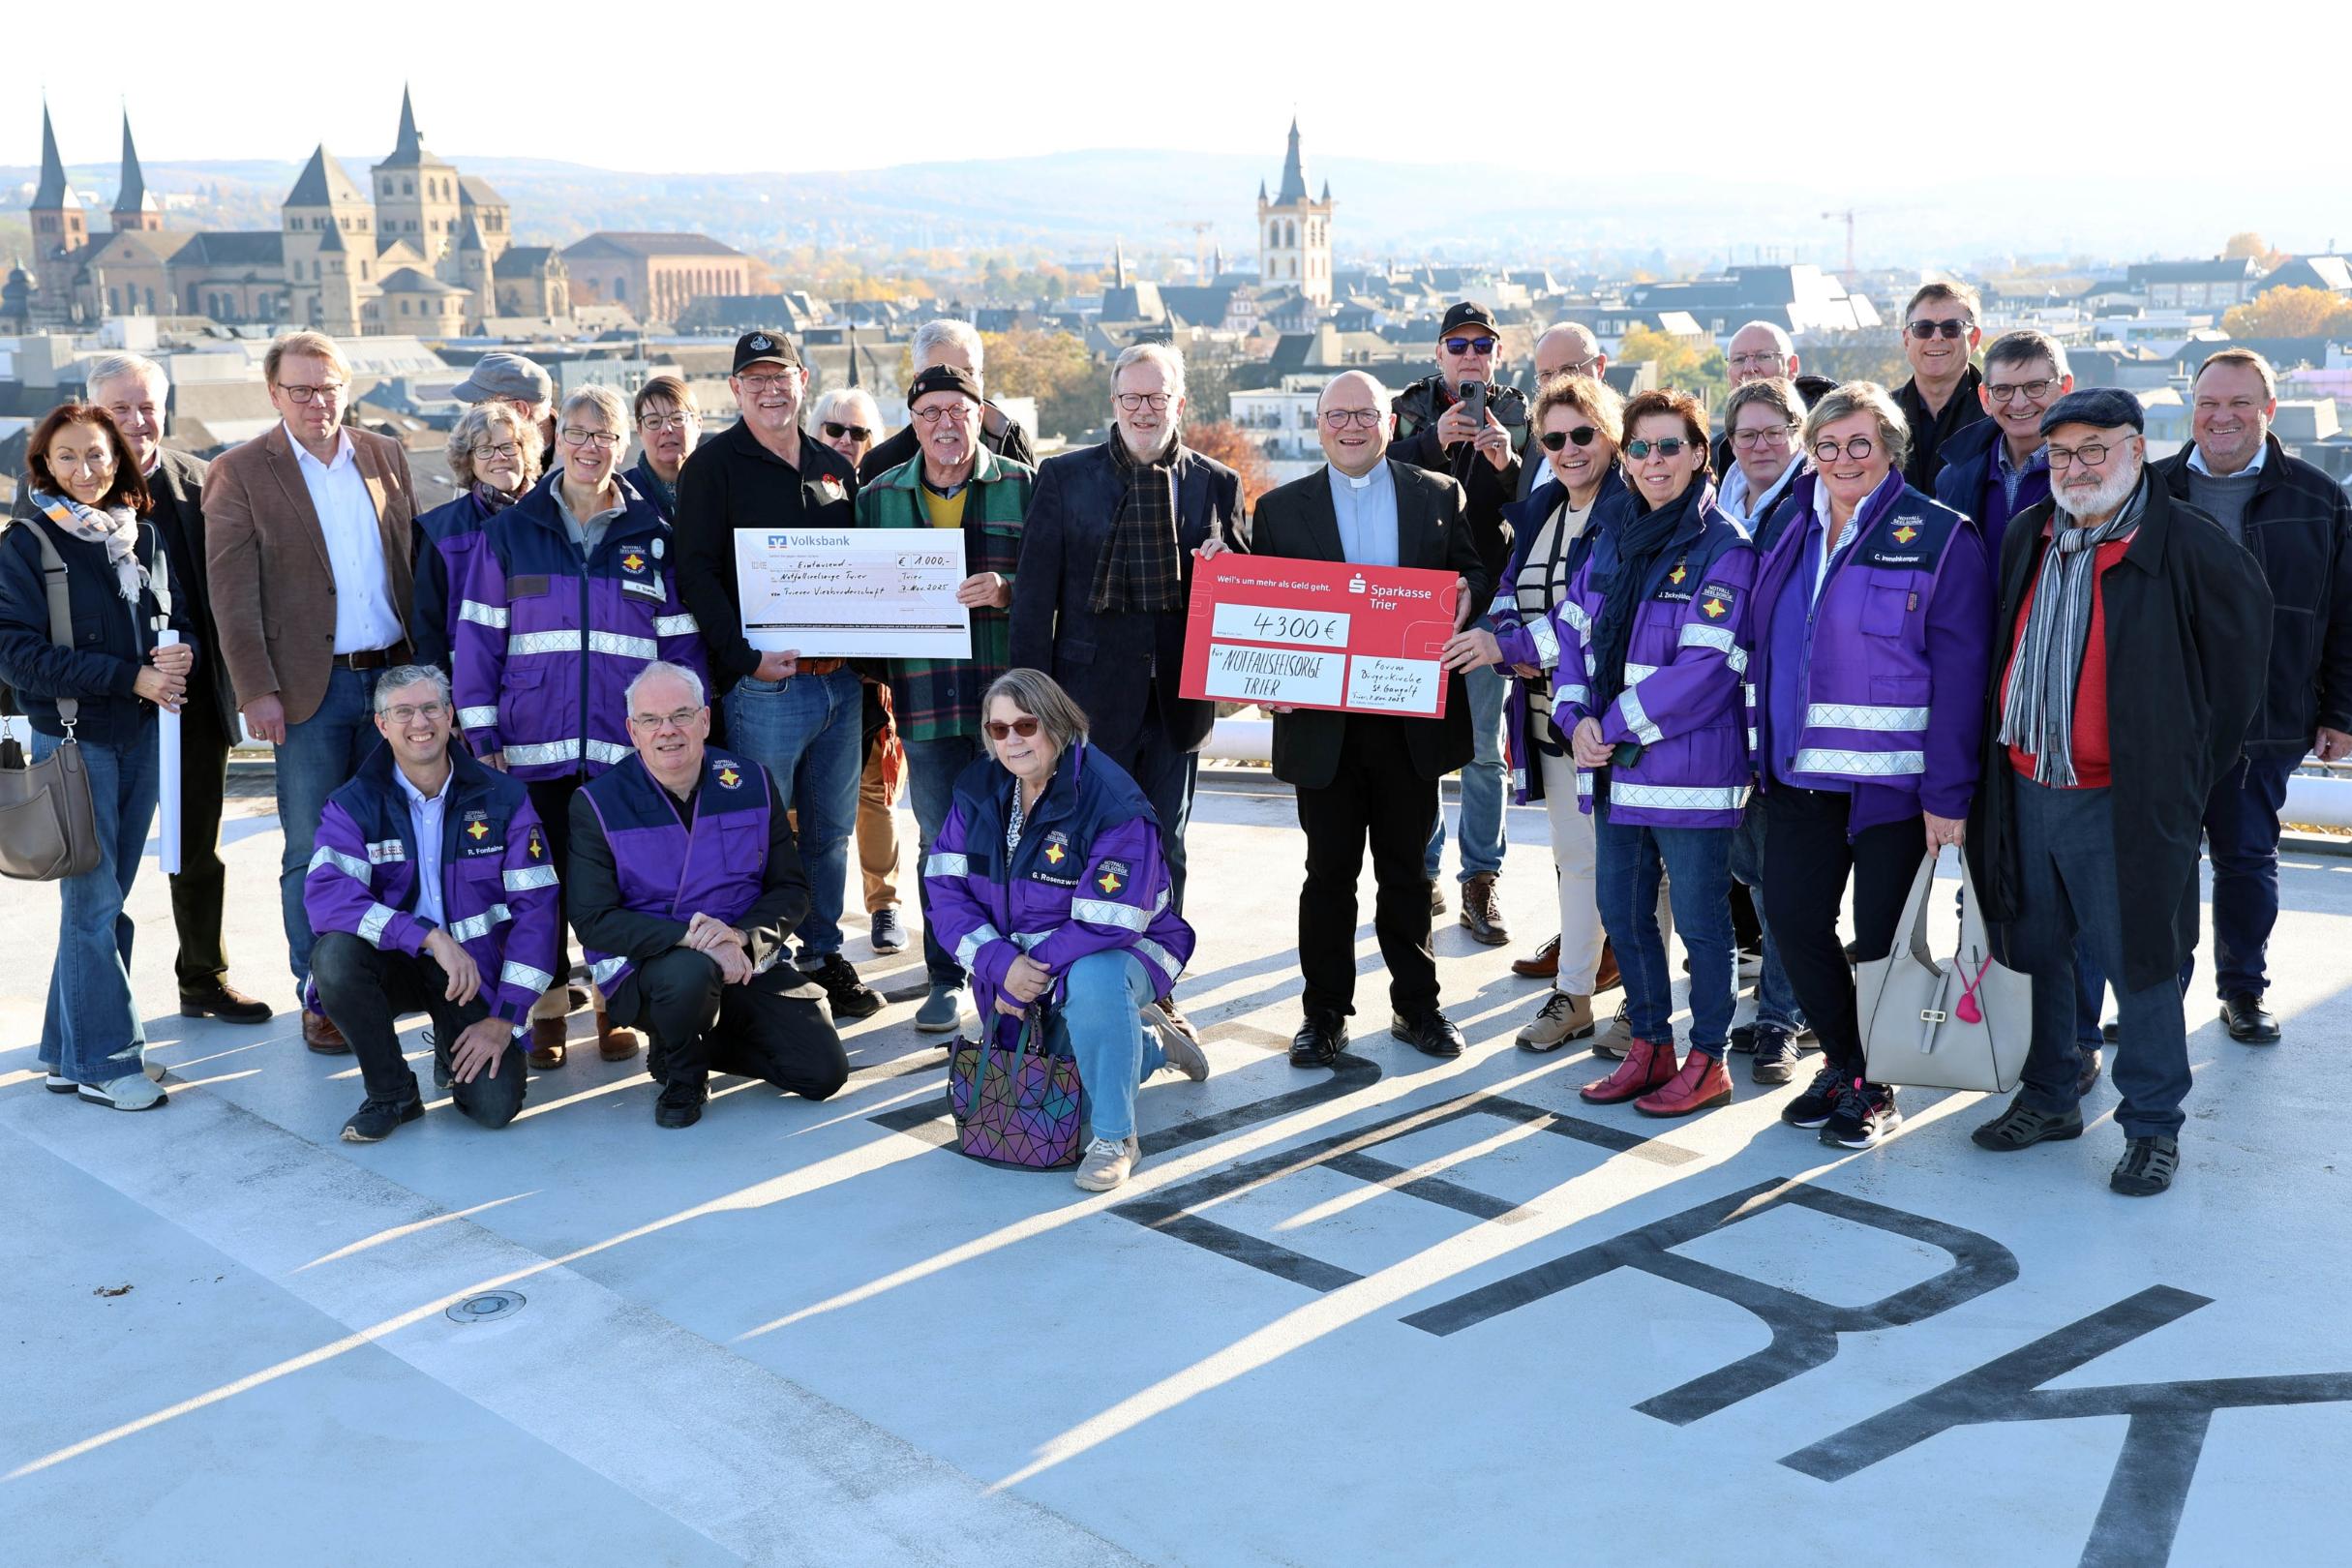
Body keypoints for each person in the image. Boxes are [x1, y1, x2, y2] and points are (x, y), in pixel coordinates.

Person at [1969, 389, 2271, 1197]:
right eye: (2061, 454)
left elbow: (2238, 683)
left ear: (2136, 451)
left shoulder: (2192, 549)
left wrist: (2176, 780)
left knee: (2141, 963)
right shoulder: (2028, 535)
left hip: (2124, 803)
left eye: (2094, 450)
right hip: (2028, 786)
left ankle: (2151, 1128)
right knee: (2034, 956)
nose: (2076, 468)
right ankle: (2049, 1097)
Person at [1748, 381, 1991, 1150]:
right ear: (1810, 452)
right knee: (1790, 921)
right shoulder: (1790, 525)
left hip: (1893, 787)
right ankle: (1849, 1063)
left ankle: (1874, 1086)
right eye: (1828, 444)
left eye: (1860, 443)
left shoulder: (1941, 536)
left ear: (1890, 450)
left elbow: (1963, 680)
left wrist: (1947, 795)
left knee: (1881, 944)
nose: (1844, 458)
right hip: (1797, 778)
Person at [10, 354, 270, 1026]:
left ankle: (202, 977)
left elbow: (223, 591)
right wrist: (130, 676)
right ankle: (101, 1023)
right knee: (100, 883)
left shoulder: (201, 479)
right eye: (119, 409)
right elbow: (28, 628)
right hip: (94, 716)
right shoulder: (44, 503)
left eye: (147, 406)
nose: (136, 421)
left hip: (188, 698)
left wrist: (199, 659)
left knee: (194, 846)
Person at [454, 384, 704, 1067]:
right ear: (557, 440)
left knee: (621, 884)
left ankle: (612, 1006)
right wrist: (483, 740)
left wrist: (679, 724)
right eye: (580, 434)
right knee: (540, 888)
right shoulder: (509, 534)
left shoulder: (652, 537)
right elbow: (477, 642)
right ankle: (547, 1011)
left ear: (624, 447)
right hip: (530, 754)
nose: (592, 448)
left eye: (607, 436)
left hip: (628, 754)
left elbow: (679, 642)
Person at [1254, 371, 1492, 1068]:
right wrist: (1263, 678)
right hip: (1323, 726)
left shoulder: (1440, 495)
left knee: (1407, 875)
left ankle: (1418, 1006)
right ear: (1318, 424)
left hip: (1406, 722)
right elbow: (1257, 613)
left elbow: (1473, 573)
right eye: (1336, 415)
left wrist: (1465, 595)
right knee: (1327, 875)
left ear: (1389, 421)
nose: (1350, 427)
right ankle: (1323, 1014)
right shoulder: (1277, 509)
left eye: (1363, 414)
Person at [1538, 390, 1754, 1117]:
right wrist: (1574, 717)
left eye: (1670, 447)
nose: (1654, 460)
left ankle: (1709, 1061)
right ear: (1625, 458)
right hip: (1613, 775)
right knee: (1623, 916)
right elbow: (1571, 636)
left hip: (1691, 778)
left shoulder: (1725, 547)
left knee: (1700, 926)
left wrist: (1613, 721)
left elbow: (1705, 667)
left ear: (1700, 455)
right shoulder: (1610, 540)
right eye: (1641, 447)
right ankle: (1651, 1046)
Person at [206, 331, 419, 1050]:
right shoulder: (238, 473)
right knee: (310, 848)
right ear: (274, 394)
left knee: (392, 839)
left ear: (346, 387)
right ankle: (320, 992)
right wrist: (256, 691)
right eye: (300, 389)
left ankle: (383, 977)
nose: (316, 402)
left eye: (328, 387)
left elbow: (408, 566)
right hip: (307, 695)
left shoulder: (383, 455)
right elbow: (232, 600)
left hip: (392, 682)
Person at [2133, 348, 2352, 1046]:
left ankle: (2243, 992)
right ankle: (2156, 994)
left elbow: (2345, 614)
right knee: (2160, 865)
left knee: (2247, 860)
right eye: (2208, 403)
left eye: (2238, 403)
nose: (2221, 417)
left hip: (2266, 718)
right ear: (2190, 410)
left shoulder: (2318, 499)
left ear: (2269, 411)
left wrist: (2341, 714)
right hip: (2163, 719)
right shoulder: (2149, 490)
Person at [922, 669, 1207, 1191]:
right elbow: (944, 889)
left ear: (1055, 723)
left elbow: (1109, 921)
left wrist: (1029, 973)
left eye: (1025, 725)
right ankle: (1152, 1046)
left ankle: (1117, 1139)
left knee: (1096, 989)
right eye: (998, 729)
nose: (1012, 740)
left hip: (1124, 949)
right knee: (1047, 1093)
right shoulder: (977, 788)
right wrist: (999, 966)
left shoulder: (1112, 802)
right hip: (1022, 967)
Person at [671, 329, 883, 1020]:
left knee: (829, 831)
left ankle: (823, 950)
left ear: (802, 379)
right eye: (754, 378)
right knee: (763, 832)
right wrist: (743, 658)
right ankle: (768, 961)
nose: (769, 388)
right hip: (766, 687)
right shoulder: (712, 467)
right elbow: (694, 572)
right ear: (734, 389)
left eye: (781, 375)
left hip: (838, 683)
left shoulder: (832, 465)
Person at [0, 403, 195, 1110]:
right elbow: (17, 659)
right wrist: (129, 676)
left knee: (101, 902)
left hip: (140, 736)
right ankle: (110, 1062)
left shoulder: (140, 537)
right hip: (75, 744)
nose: (87, 470)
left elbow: (178, 622)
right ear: (44, 467)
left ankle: (66, 1051)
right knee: (93, 904)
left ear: (120, 458)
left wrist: (180, 654)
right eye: (69, 457)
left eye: (98, 454)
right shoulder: (24, 545)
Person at [1009, 342, 1243, 926]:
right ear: (1113, 401)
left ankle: (1157, 979)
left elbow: (1245, 595)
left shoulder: (1217, 483)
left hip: (1176, 703)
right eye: (1132, 397)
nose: (1144, 410)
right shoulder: (1063, 477)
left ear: (1179, 402)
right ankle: (1073, 975)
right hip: (1084, 702)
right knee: (1078, 846)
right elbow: (1034, 600)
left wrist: (1229, 562)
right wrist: (1028, 708)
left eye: (1156, 397)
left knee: (1166, 848)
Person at [569, 661, 850, 1130]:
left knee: (822, 1074)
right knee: (689, 973)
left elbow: (791, 888)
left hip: (743, 960)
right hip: (652, 970)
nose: (668, 732)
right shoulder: (599, 802)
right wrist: (696, 939)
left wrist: (740, 937)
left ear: (704, 720)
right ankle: (684, 1075)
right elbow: (593, 919)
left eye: (681, 715)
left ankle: (683, 1041)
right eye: (651, 720)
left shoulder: (751, 782)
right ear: (632, 732)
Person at [1443, 373, 1627, 1052]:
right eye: (1554, 438)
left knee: (1642, 872)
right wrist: (1494, 631)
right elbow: (1510, 593)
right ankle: (1575, 995)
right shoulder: (1543, 509)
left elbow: (1591, 616)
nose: (1569, 449)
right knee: (1575, 860)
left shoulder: (1629, 510)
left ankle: (1642, 1004)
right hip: (1552, 717)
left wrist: (1509, 644)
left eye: (1584, 434)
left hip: (1617, 725)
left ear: (1610, 435)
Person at [855, 362, 1034, 1035]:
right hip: (926, 703)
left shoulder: (1024, 487)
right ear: (913, 422)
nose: (944, 425)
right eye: (929, 413)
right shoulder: (878, 498)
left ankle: (1020, 967)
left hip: (1008, 706)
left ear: (980, 413)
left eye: (957, 410)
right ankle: (947, 975)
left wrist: (1008, 589)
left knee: (1021, 837)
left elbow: (1053, 581)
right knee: (940, 843)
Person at [304, 666, 556, 1141]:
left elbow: (537, 914)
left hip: (473, 976)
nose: (419, 723)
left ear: (450, 714)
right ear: (382, 724)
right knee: (334, 957)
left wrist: (505, 1018)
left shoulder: (505, 799)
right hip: (395, 962)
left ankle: (451, 1043)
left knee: (493, 1108)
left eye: (430, 708)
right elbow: (327, 901)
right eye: (403, 712)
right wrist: (426, 936)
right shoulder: (352, 804)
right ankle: (391, 1093)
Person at [1391, 302, 1523, 942]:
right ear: (1438, 353)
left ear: (1497, 355)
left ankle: (1482, 879)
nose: (1470, 354)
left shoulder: (1521, 413)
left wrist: (1509, 467)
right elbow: (1380, 481)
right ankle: (1423, 872)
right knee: (1420, 750)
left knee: (1481, 751)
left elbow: (1543, 504)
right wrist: (1430, 442)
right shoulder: (1410, 407)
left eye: (1482, 344)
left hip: (1489, 601)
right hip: (1417, 602)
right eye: (1458, 344)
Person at [1712, 377, 1814, 1082]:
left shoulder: (1816, 506)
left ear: (1799, 435)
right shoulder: (1720, 504)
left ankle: (1780, 1015)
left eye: (1774, 431)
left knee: (1783, 878)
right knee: (1748, 870)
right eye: (1746, 434)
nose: (1759, 445)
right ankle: (1788, 995)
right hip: (1725, 716)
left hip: (1786, 716)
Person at [810, 385, 906, 957]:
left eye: (859, 432)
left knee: (874, 794)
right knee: (807, 807)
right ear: (815, 431)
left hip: (870, 674)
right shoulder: (796, 492)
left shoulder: (885, 495)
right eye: (834, 430)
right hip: (808, 670)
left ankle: (884, 904)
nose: (846, 442)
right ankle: (809, 920)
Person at [410, 401, 541, 672]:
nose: (499, 456)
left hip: (544, 685)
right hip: (467, 684)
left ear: (525, 452)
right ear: (468, 461)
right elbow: (428, 628)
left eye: (508, 446)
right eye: (485, 449)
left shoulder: (554, 518)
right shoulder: (440, 530)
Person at [1932, 329, 2071, 562]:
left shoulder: (2089, 473)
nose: (2019, 403)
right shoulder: (1952, 480)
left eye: (2035, 386)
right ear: (1985, 398)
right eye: (2003, 390)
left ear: (2064, 389)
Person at [857, 319, 1036, 484]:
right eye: (940, 376)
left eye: (968, 374)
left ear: (982, 377)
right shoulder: (881, 465)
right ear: (916, 381)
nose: (956, 384)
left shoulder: (1012, 443)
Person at [1892, 281, 1989, 491]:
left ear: (1974, 338)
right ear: (1907, 340)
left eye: (1951, 328)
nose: (1937, 337)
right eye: (1924, 329)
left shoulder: (2000, 414)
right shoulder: (1880, 416)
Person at [1711, 321, 1837, 478]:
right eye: (1739, 359)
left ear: (1792, 366)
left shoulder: (1835, 433)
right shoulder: (1716, 454)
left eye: (1763, 356)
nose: (1749, 368)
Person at [451, 350, 557, 469]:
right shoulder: (477, 453)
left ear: (519, 410)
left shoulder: (574, 466)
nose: (473, 412)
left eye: (480, 404)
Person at [626, 375, 702, 521]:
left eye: (677, 418)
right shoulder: (620, 494)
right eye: (654, 421)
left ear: (698, 425)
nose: (666, 429)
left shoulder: (722, 487)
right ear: (640, 430)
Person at [809, 387, 884, 472]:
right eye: (835, 429)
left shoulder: (883, 485)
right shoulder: (797, 482)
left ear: (869, 444)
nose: (846, 440)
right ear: (817, 433)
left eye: (858, 433)